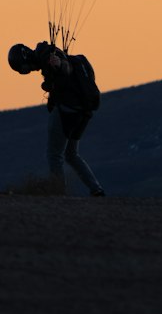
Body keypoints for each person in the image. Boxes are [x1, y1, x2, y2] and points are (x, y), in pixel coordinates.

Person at [8, 40, 105, 197]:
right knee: (71, 154)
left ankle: (59, 192)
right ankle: (96, 189)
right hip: (83, 111)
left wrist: (59, 64)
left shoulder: (48, 56)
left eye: (24, 69)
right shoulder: (49, 53)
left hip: (67, 111)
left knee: (54, 155)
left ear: (26, 58)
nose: (28, 71)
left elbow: (65, 67)